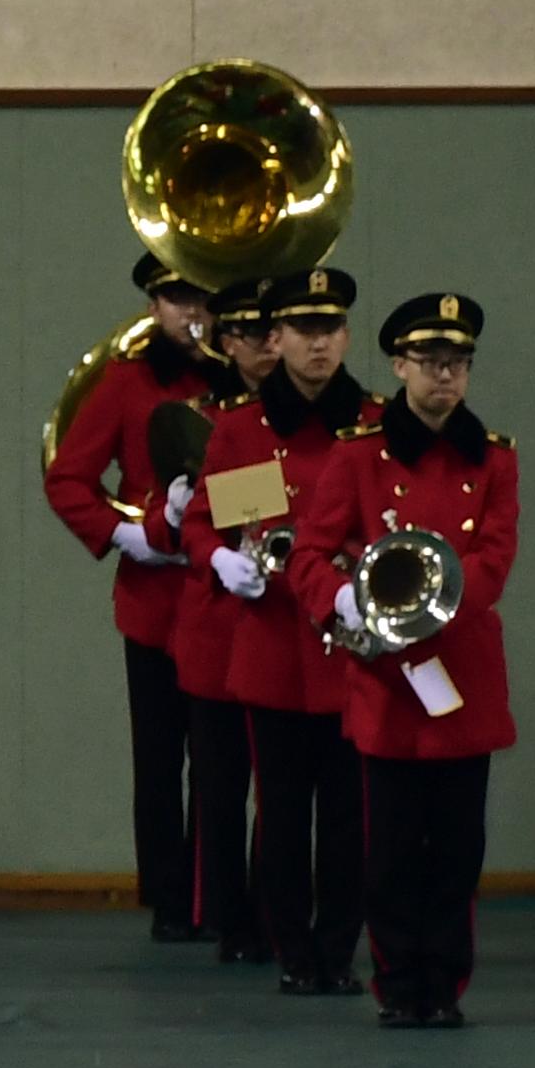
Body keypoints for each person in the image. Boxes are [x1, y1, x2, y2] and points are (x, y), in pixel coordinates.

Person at [292, 294, 515, 1027]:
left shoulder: (494, 458)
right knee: (386, 852)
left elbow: (495, 556)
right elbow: (310, 555)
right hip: (388, 679)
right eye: (429, 363)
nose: (445, 377)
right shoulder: (359, 456)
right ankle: (397, 983)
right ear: (398, 365)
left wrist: (437, 604)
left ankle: (443, 985)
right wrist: (345, 604)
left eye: (457, 364)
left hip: (461, 675)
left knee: (456, 848)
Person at [183, 267, 370, 996]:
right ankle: (292, 949)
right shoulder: (243, 429)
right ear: (277, 339)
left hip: (350, 646)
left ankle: (340, 948)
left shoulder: (373, 424)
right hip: (273, 644)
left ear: (345, 337)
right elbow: (210, 520)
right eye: (303, 331)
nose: (319, 346)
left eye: (330, 331)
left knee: (351, 814)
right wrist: (224, 557)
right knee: (284, 812)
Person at [43, 254, 220, 942]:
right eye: (178, 298)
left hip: (226, 590)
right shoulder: (124, 383)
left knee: (222, 760)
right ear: (154, 305)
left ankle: (220, 894)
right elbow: (68, 479)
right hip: (156, 601)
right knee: (159, 755)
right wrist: (126, 533)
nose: (193, 312)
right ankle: (172, 901)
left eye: (204, 298)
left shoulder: (241, 382)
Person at [149, 277, 280, 966]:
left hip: (285, 618)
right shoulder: (199, 415)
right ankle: (229, 916)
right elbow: (194, 515)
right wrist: (185, 507)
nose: (270, 345)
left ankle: (277, 908)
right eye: (256, 335)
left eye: (275, 333)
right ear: (227, 343)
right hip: (216, 621)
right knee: (221, 785)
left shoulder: (307, 419)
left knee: (285, 785)